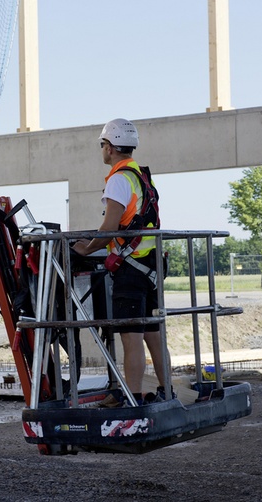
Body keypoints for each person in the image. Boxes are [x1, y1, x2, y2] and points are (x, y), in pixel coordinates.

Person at [72, 118, 169, 406]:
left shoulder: (118, 179)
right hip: (151, 266)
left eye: (102, 145)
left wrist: (86, 250)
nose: (102, 150)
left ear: (111, 147)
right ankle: (166, 391)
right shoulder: (140, 175)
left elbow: (110, 228)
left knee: (131, 337)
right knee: (153, 335)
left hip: (132, 272)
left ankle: (132, 397)